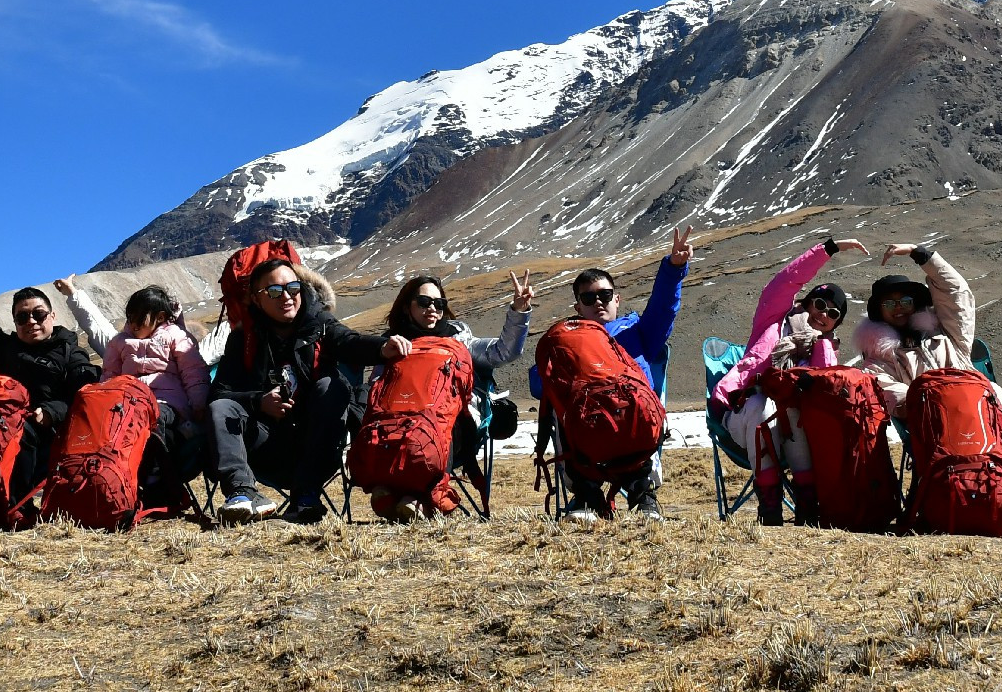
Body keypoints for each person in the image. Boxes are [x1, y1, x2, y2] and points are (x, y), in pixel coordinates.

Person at [209, 256, 407, 525]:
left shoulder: (321, 324)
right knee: (222, 408)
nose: (287, 297)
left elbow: (349, 342)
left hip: (315, 444)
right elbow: (220, 392)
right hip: (264, 444)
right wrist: (259, 402)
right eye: (275, 291)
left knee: (333, 386)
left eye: (293, 288)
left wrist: (382, 349)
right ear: (256, 299)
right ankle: (242, 495)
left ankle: (306, 496)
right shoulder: (244, 338)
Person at [532, 222, 694, 522]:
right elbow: (539, 385)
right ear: (578, 306)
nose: (598, 303)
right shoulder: (567, 341)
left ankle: (643, 494)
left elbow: (662, 309)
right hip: (586, 432)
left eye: (605, 296)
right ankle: (586, 495)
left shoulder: (638, 332)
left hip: (634, 426)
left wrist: (674, 268)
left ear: (616, 299)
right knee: (559, 410)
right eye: (588, 298)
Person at [710, 236, 865, 525]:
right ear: (806, 302)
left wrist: (821, 344)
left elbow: (822, 392)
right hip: (745, 414)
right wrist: (828, 249)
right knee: (764, 408)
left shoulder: (827, 349)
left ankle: (807, 501)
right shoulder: (774, 322)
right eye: (820, 303)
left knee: (794, 412)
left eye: (833, 314)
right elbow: (784, 282)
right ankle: (770, 504)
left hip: (793, 428)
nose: (823, 314)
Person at [364, 270, 534, 522]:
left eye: (439, 303)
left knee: (444, 423)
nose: (432, 308)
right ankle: (409, 499)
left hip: (456, 427)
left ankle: (412, 497)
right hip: (400, 429)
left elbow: (503, 352)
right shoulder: (393, 345)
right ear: (406, 307)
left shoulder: (460, 339)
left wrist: (519, 312)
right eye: (424, 302)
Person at [0, 237, 99, 506]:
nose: (31, 321)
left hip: (49, 433)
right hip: (2, 426)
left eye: (38, 314)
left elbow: (83, 393)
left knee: (24, 433)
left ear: (52, 316)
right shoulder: (6, 348)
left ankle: (16, 505)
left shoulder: (70, 352)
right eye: (22, 317)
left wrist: (53, 411)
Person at [56, 276, 210, 504]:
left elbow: (193, 372)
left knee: (156, 421)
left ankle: (157, 478)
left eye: (140, 319)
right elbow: (109, 377)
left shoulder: (176, 337)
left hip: (167, 403)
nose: (134, 324)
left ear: (159, 318)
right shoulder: (120, 343)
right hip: (130, 406)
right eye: (130, 318)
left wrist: (198, 404)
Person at [849, 243, 1002, 416]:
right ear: (879, 311)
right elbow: (888, 390)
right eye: (889, 304)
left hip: (980, 413)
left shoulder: (949, 332)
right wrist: (925, 402)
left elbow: (956, 292)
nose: (899, 308)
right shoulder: (878, 359)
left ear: (915, 304)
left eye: (906, 301)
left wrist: (920, 254)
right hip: (931, 425)